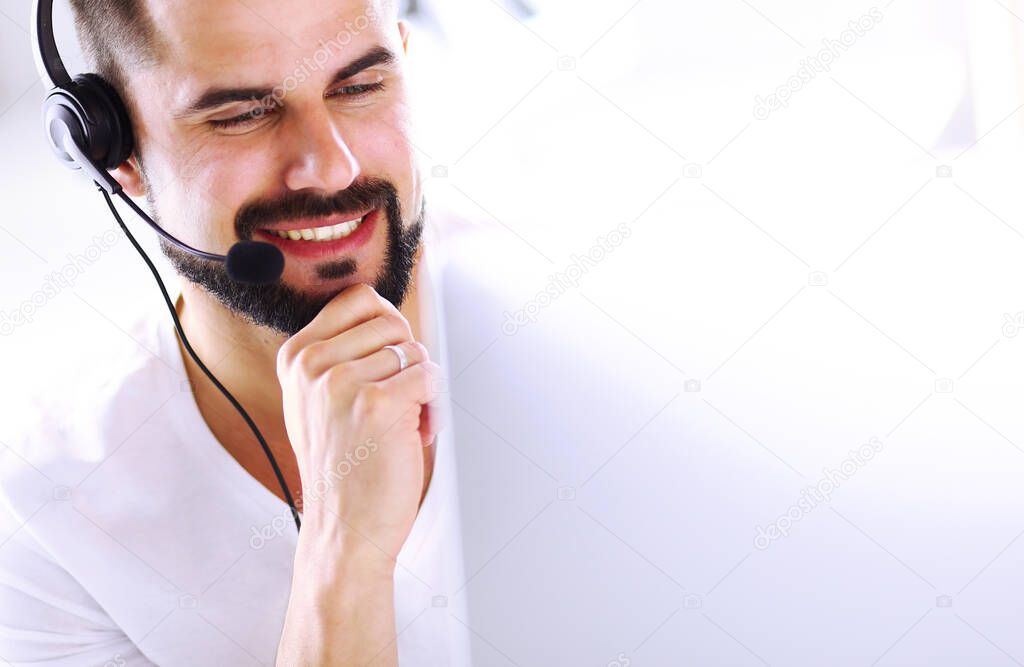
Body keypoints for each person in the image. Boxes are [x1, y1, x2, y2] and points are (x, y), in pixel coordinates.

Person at [0, 0, 472, 663]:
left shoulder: (590, 320)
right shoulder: (44, 520)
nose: (331, 167)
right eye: (242, 115)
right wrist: (343, 550)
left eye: (361, 86)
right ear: (112, 154)